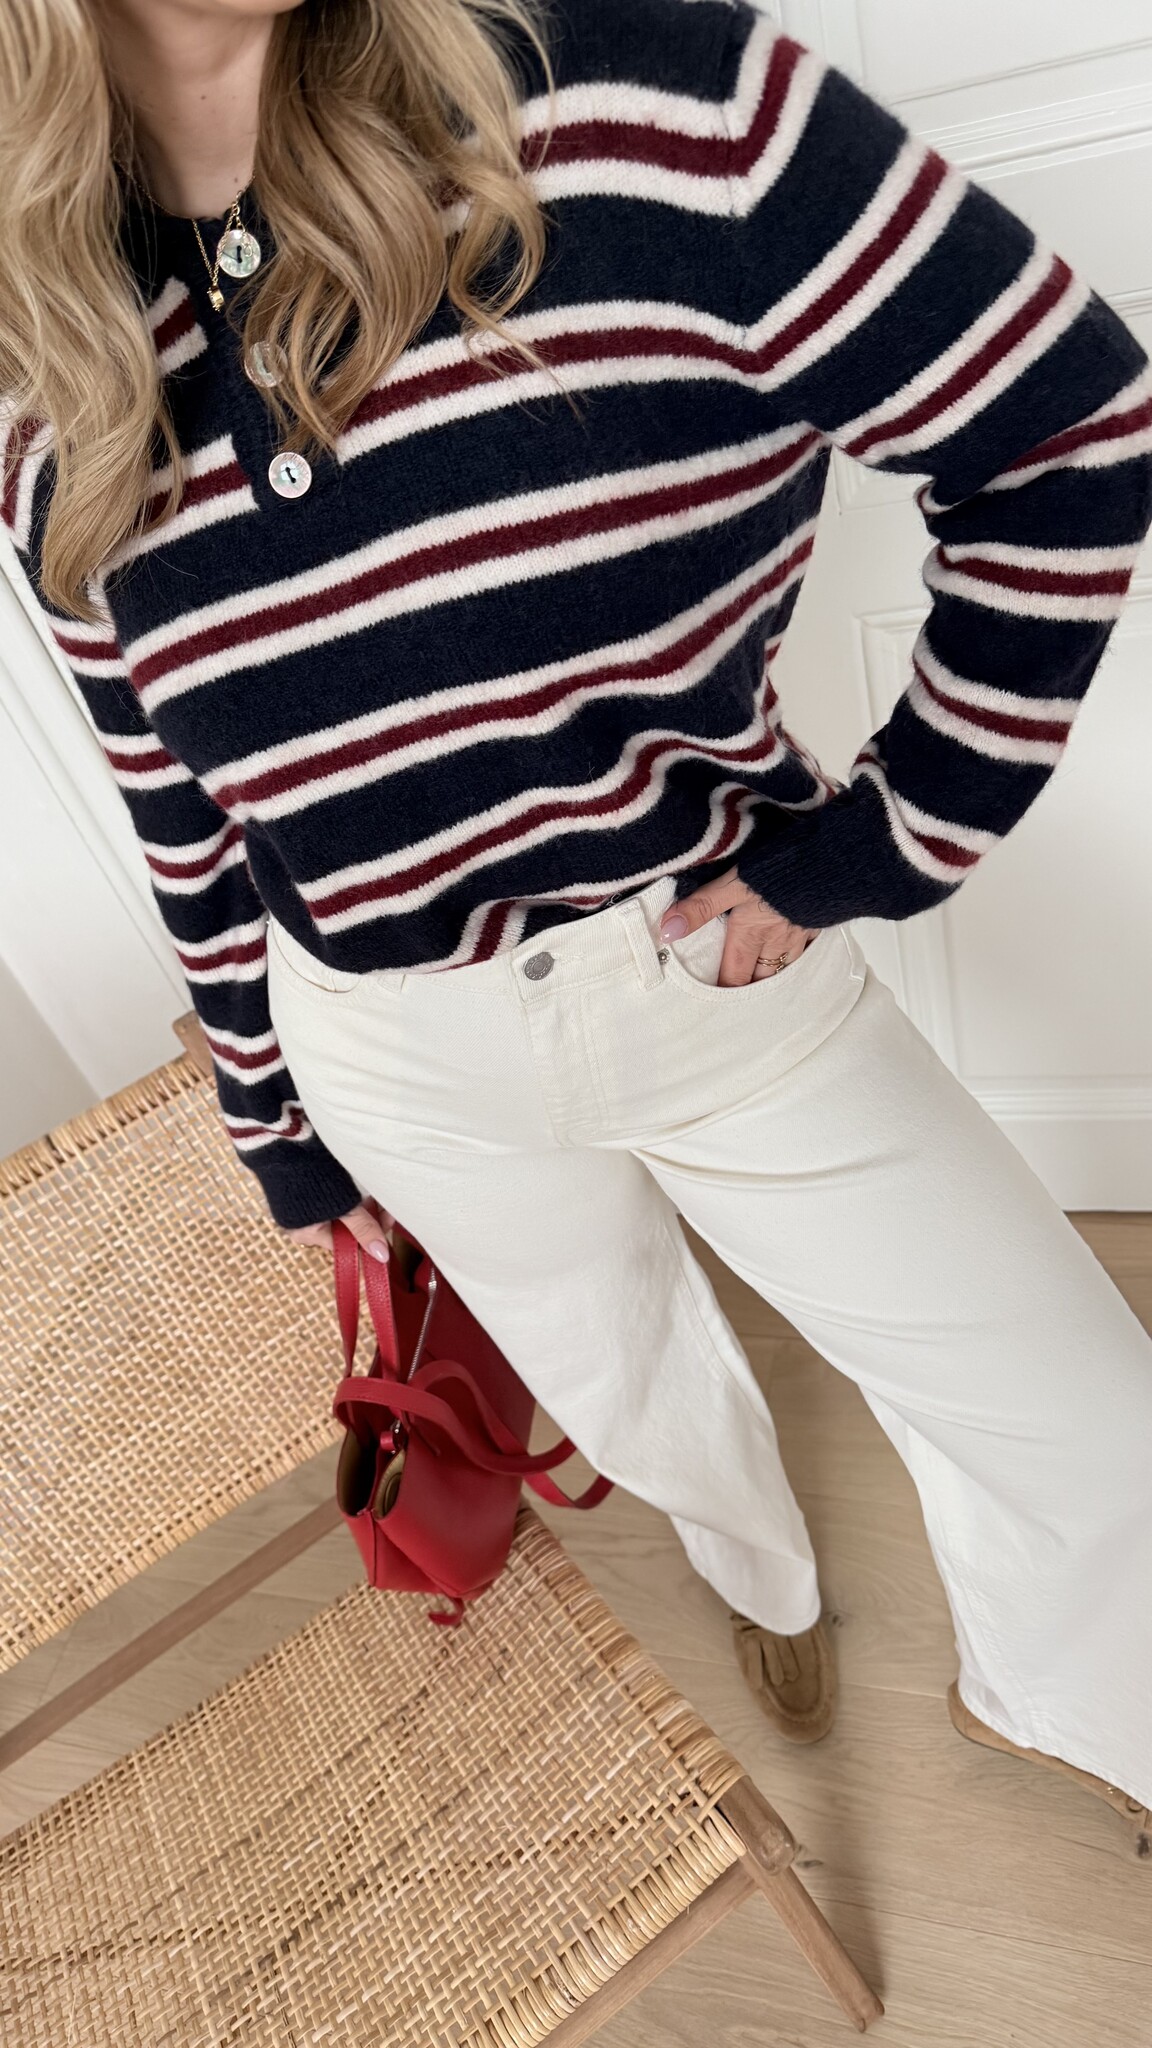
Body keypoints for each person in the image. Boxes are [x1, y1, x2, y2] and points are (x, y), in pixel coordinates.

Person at [2, 0, 1151, 1828]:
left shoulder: (644, 105)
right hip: (392, 1048)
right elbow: (188, 812)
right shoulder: (50, 357)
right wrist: (276, 1120)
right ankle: (764, 1575)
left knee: (1090, 1432)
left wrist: (886, 839)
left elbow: (1067, 428)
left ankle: (1062, 1687)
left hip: (711, 973)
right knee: (627, 1385)